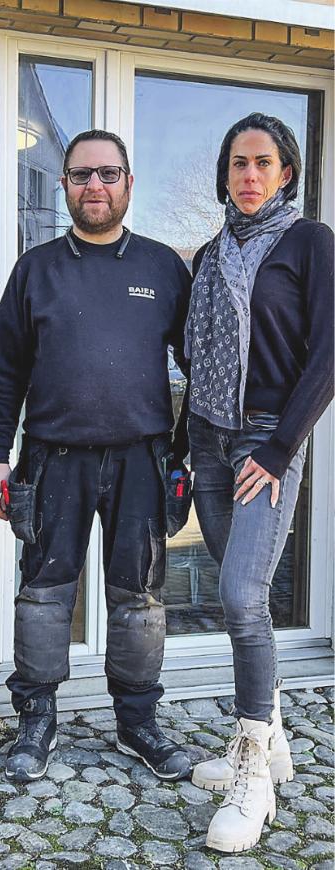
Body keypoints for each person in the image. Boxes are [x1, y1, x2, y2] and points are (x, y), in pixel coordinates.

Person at [0, 129, 193, 783]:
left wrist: (191, 455)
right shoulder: (35, 269)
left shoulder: (163, 267)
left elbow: (200, 367)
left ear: (129, 183)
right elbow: (3, 370)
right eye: (80, 175)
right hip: (53, 459)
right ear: (66, 184)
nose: (94, 187)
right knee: (43, 598)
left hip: (142, 461)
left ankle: (138, 724)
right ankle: (36, 721)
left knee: (139, 601)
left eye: (107, 174)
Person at [185, 113, 334, 853]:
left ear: (287, 173)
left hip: (267, 438)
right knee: (236, 592)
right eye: (238, 163)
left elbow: (330, 350)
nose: (249, 175)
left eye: (263, 163)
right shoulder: (211, 253)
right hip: (207, 439)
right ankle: (271, 737)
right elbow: (188, 349)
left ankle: (254, 773)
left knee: (244, 597)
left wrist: (279, 447)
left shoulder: (310, 242)